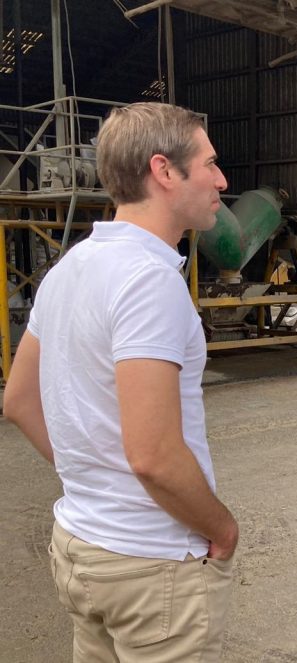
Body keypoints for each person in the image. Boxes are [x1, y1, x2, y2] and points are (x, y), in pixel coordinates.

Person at [3, 102, 238, 661]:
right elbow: (153, 455)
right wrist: (223, 529)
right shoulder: (149, 281)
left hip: (81, 546)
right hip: (152, 563)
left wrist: (91, 477)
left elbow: (18, 400)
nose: (222, 181)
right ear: (164, 170)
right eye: (209, 163)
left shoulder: (69, 269)